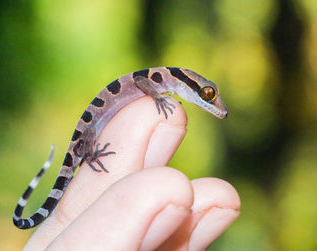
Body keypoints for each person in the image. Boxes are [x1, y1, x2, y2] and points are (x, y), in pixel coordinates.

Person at [24, 96, 240, 250]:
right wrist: (89, 156)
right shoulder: (156, 82)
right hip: (84, 141)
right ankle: (31, 215)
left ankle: (29, 217)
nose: (214, 104)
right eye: (209, 95)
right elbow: (143, 83)